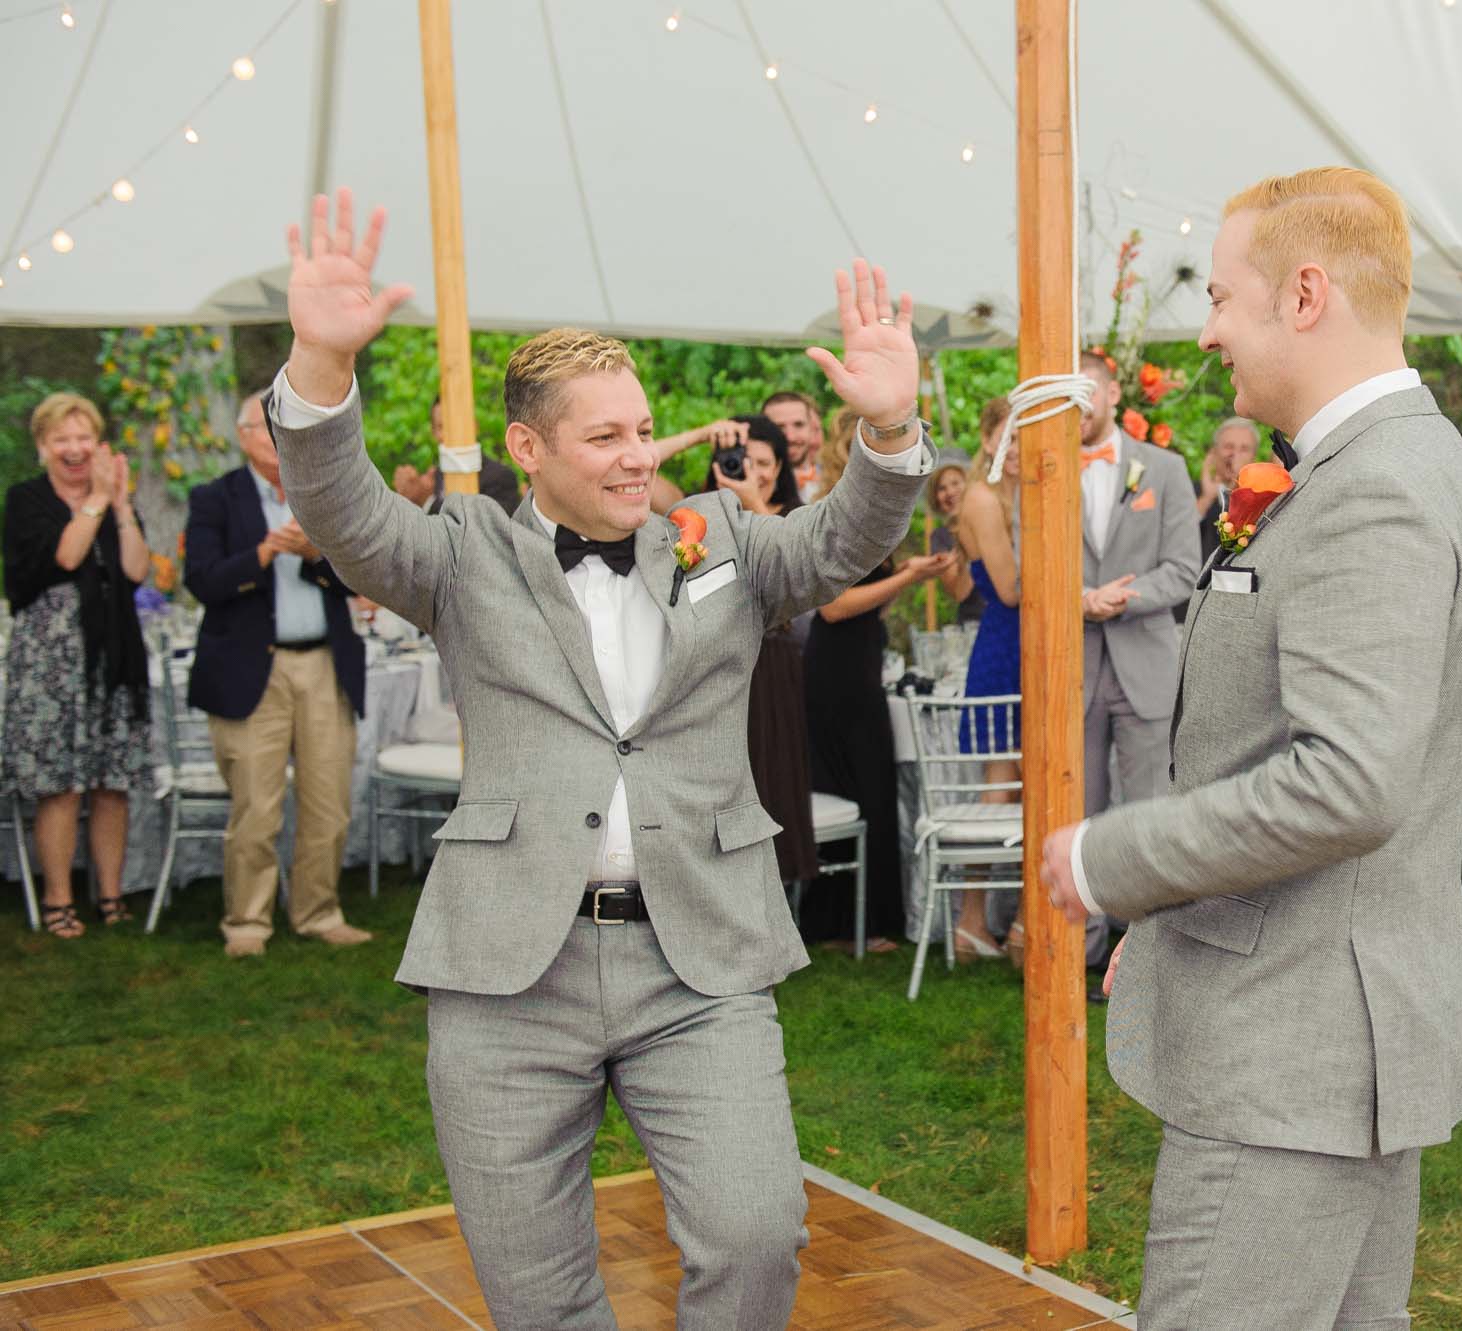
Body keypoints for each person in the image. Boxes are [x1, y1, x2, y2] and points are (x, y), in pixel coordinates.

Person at [269, 190, 932, 1329]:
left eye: (641, 428)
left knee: (755, 1234)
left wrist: (884, 433)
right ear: (529, 446)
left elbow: (842, 541)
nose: (641, 456)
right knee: (538, 1292)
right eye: (607, 436)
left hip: (701, 963)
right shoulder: (461, 555)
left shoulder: (717, 539)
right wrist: (321, 368)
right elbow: (344, 511)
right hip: (507, 974)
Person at [1042, 166, 1462, 1327]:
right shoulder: (1386, 461)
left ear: (1304, 295)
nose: (1205, 332)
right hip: (1335, 1024)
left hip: (1295, 1052)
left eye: (1223, 297)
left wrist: (1115, 860)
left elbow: (1347, 781)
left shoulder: (1376, 489)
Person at [182, 398, 371, 956]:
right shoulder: (216, 498)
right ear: (244, 437)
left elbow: (362, 572)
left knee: (327, 800)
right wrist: (265, 552)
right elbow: (202, 581)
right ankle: (247, 922)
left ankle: (318, 911)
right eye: (268, 429)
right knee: (256, 806)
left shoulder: (323, 493)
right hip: (251, 669)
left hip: (323, 663)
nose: (279, 437)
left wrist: (315, 556)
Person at [1, 393, 151, 938]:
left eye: (83, 437)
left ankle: (110, 895)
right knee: (60, 787)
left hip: (114, 660)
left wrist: (121, 508)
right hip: (52, 665)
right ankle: (60, 898)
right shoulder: (26, 500)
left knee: (112, 783)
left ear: (99, 443)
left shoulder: (113, 500)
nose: (74, 449)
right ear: (43, 447)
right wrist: (94, 503)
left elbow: (136, 572)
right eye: (61, 439)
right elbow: (66, 557)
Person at [804, 408, 953, 952]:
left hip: (858, 661)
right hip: (837, 667)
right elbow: (835, 608)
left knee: (870, 783)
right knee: (855, 784)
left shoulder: (866, 515)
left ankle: (863, 919)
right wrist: (908, 577)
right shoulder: (836, 514)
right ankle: (840, 925)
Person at [1073, 350, 1200, 973]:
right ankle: (1082, 951)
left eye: (1086, 389)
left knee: (1149, 810)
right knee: (1080, 813)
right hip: (1070, 670)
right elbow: (1025, 570)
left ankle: (1146, 953)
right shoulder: (1042, 474)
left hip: (1145, 662)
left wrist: (1121, 598)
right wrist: (1077, 601)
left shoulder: (1166, 469)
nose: (1078, 405)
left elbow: (1183, 567)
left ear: (1111, 390)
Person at [697, 415, 817, 897]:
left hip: (772, 665)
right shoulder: (699, 513)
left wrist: (753, 502)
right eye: (745, 462)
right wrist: (696, 437)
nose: (755, 471)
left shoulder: (790, 513)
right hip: (717, 664)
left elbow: (795, 572)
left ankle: (775, 900)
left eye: (764, 463)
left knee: (772, 781)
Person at [948, 398, 1022, 961]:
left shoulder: (1015, 492)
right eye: (1011, 436)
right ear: (990, 439)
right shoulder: (980, 495)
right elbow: (1011, 588)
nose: (1019, 448)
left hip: (1027, 645)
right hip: (1004, 644)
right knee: (1001, 786)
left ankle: (1019, 921)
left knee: (1027, 785)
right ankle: (973, 918)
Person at [391, 397, 523, 514]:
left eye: (454, 425)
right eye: (441, 427)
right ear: (434, 433)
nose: (448, 433)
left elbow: (481, 532)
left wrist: (427, 501)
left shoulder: (500, 478)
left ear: (474, 427)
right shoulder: (434, 478)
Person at [926, 454, 983, 622]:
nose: (950, 492)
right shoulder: (940, 538)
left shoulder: (993, 520)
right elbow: (959, 592)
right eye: (942, 488)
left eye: (956, 483)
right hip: (972, 621)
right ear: (936, 498)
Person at [1194, 415, 1258, 565]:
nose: (1234, 455)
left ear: (1253, 458)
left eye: (1244, 449)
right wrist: (1206, 498)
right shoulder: (1193, 491)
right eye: (1229, 447)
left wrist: (1239, 486)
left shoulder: (1259, 499)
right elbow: (1177, 535)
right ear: (1214, 453)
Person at [762, 390, 825, 499]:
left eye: (798, 425)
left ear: (811, 429)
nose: (790, 437)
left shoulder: (836, 479)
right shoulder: (750, 482)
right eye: (779, 427)